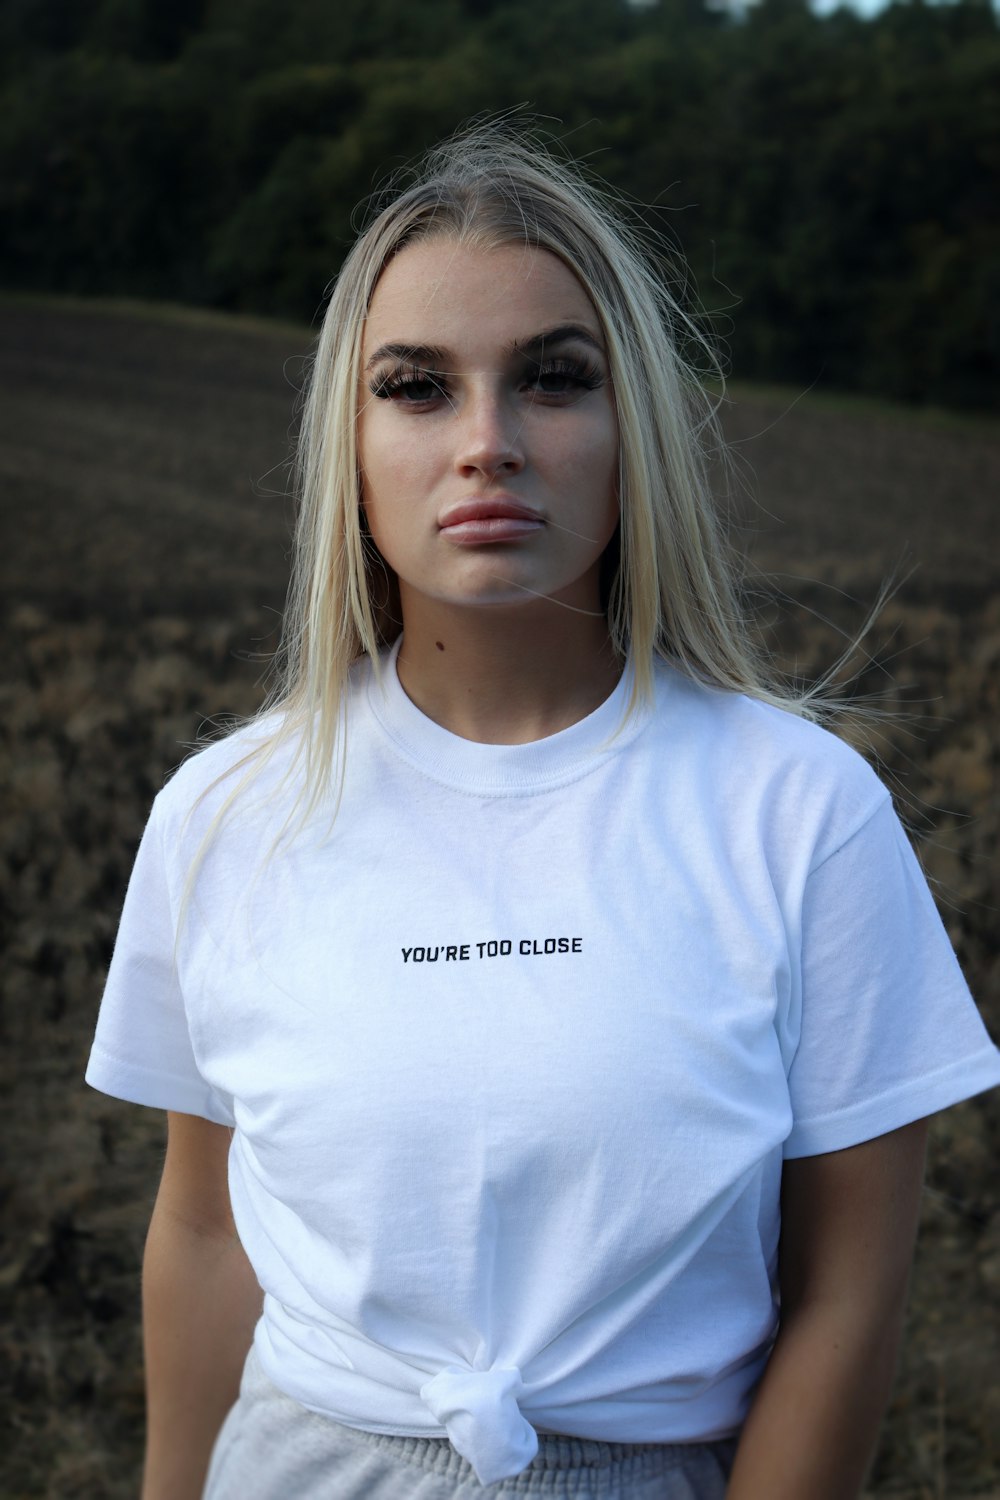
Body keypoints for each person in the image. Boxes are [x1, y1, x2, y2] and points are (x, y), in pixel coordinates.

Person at [86, 125, 1000, 1500]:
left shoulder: (802, 813)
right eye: (417, 388)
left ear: (634, 423)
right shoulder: (224, 813)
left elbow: (845, 1298)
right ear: (350, 439)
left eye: (554, 380)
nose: (488, 445)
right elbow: (207, 1238)